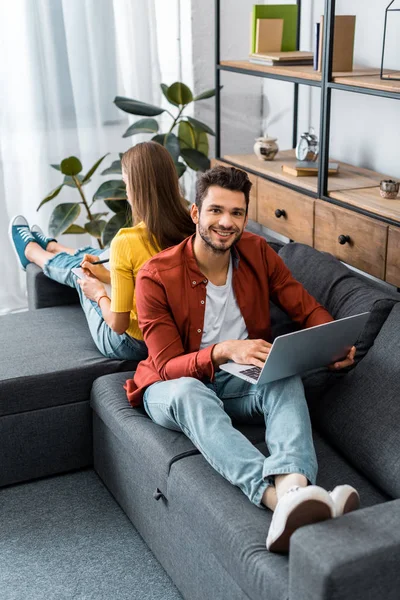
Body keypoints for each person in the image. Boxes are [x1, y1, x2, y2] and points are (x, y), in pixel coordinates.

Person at [125, 165, 360, 553]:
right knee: (187, 391)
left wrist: (332, 340)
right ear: (196, 214)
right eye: (216, 210)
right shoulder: (155, 275)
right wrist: (223, 350)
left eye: (236, 213)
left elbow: (303, 304)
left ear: (245, 218)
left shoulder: (256, 252)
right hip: (169, 388)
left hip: (237, 381)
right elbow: (167, 367)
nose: (226, 222)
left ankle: (295, 488)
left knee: (282, 373)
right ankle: (275, 501)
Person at [8, 141, 195, 360]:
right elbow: (155, 288)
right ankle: (52, 246)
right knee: (98, 261)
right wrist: (107, 276)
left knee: (81, 275)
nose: (126, 193)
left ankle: (30, 252)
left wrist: (98, 294)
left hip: (132, 344)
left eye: (126, 183)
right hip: (173, 337)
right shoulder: (192, 227)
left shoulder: (128, 240)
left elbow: (118, 324)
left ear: (135, 187)